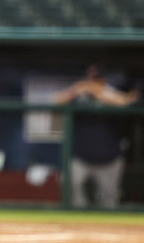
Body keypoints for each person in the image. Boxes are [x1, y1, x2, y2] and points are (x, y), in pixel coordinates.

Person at [53, 64, 135, 208]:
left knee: (109, 201)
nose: (92, 82)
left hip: (110, 158)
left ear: (103, 80)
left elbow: (129, 102)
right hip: (81, 157)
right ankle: (77, 223)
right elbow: (55, 102)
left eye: (96, 78)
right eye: (90, 78)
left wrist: (100, 92)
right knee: (70, 190)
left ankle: (108, 228)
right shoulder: (79, 95)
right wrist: (76, 90)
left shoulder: (112, 94)